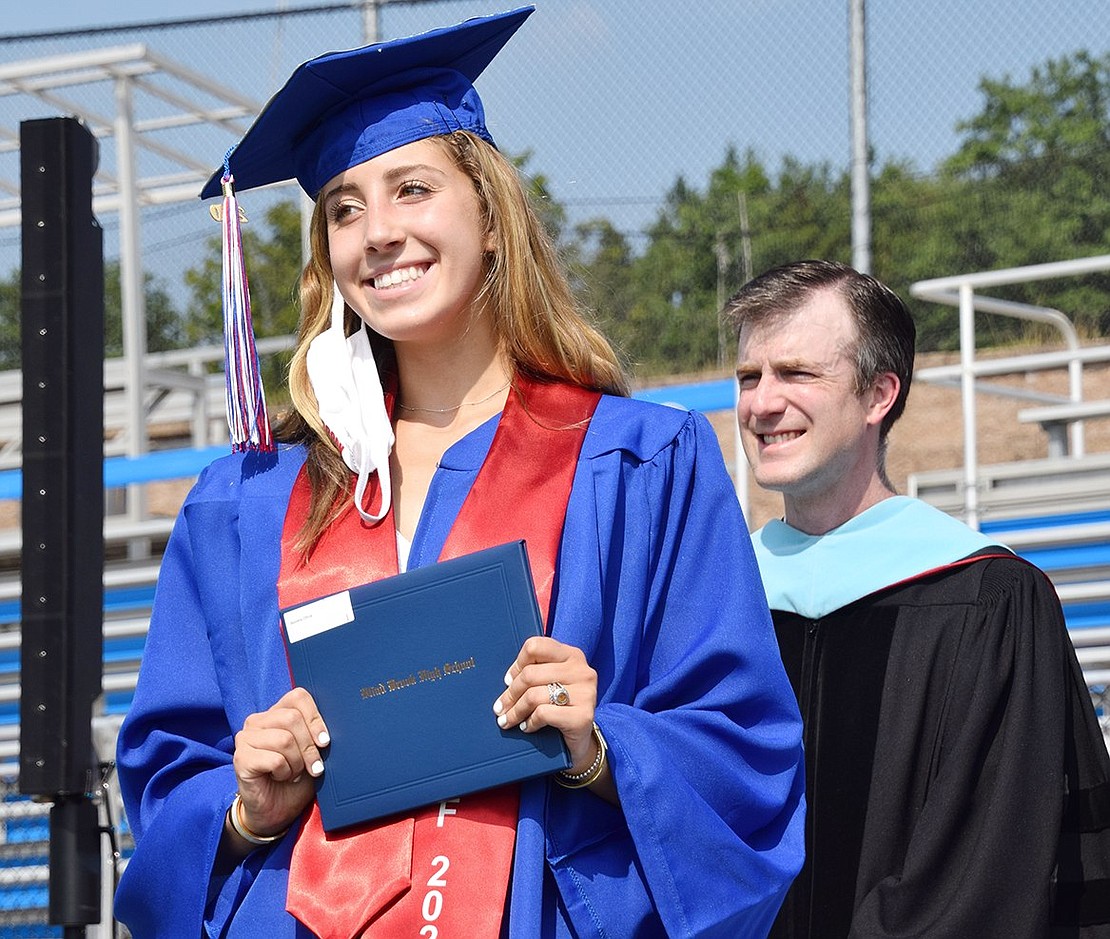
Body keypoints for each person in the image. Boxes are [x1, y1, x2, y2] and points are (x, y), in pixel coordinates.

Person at [113, 8, 805, 937]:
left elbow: (743, 745)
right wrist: (240, 811)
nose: (378, 232)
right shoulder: (247, 501)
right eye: (345, 209)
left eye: (412, 188)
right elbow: (166, 776)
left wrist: (602, 747)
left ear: (490, 214)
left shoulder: (636, 463)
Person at [724, 258, 1110, 938]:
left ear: (879, 395)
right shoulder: (718, 597)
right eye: (749, 376)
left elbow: (995, 865)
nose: (761, 402)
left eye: (797, 373)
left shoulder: (990, 599)